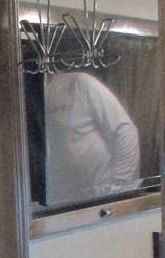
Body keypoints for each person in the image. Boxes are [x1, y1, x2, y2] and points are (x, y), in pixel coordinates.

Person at [45, 71, 141, 207]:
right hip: (62, 204)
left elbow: (125, 131)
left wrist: (119, 189)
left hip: (104, 200)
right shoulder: (25, 98)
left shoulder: (79, 83)